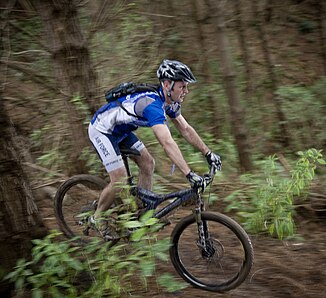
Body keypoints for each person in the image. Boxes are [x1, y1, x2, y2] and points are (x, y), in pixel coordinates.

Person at [88, 59, 221, 236]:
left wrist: (208, 153)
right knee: (119, 179)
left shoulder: (169, 102)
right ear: (167, 84)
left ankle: (142, 214)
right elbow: (167, 142)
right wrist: (188, 174)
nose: (186, 91)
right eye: (182, 86)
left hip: (122, 131)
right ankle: (97, 217)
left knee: (148, 163)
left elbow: (186, 129)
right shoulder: (152, 105)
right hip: (102, 130)